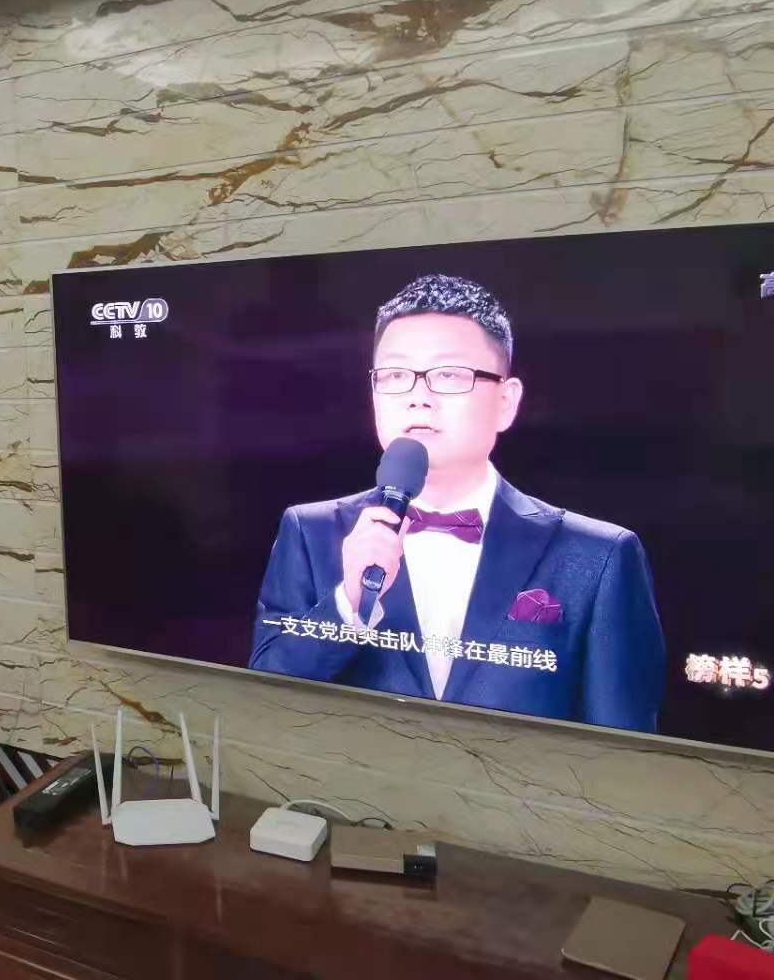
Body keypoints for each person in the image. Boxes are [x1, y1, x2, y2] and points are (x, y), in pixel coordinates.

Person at [248, 274, 666, 732]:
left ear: (506, 401)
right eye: (395, 376)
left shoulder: (598, 555)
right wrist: (348, 603)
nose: (418, 398)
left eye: (448, 375)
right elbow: (262, 705)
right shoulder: (310, 531)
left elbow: (622, 747)